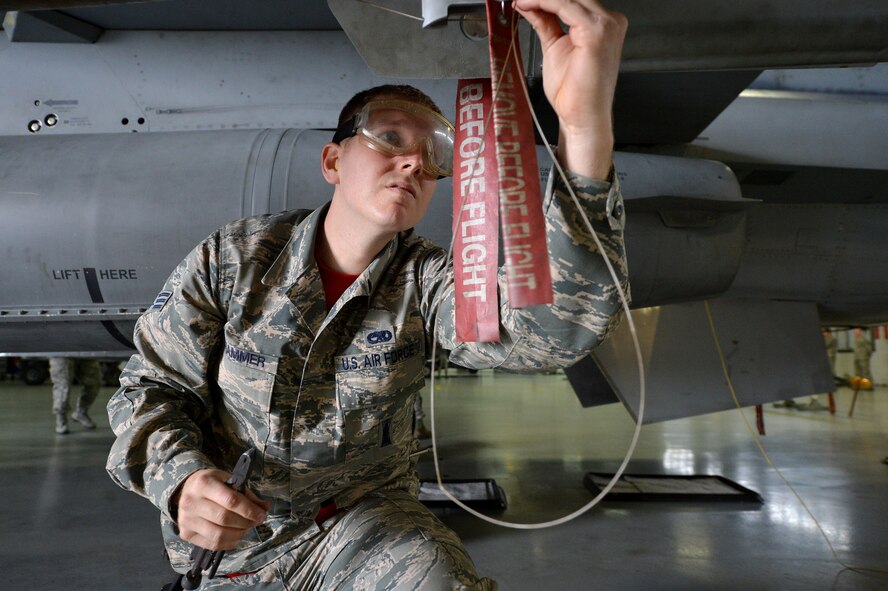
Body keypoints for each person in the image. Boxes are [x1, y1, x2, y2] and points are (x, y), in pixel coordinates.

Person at [106, 0, 629, 588]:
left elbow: (552, 336)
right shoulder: (235, 260)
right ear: (333, 160)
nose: (412, 159)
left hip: (361, 532)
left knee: (433, 575)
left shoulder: (428, 283)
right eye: (388, 137)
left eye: (433, 155)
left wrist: (585, 130)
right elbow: (151, 388)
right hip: (233, 549)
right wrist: (181, 482)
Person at [50, 357, 102, 434]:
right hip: (61, 350)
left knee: (94, 382)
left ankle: (81, 412)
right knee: (62, 384)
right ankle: (61, 418)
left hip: (85, 350)